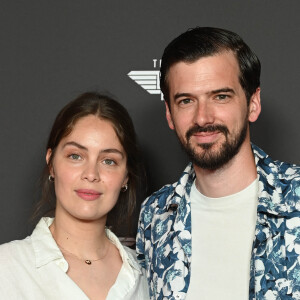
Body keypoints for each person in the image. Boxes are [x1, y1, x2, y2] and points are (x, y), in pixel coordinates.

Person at [136, 27, 300, 300]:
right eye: (186, 100)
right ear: (169, 114)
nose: (203, 118)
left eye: (220, 96)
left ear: (253, 103)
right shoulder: (155, 215)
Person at [0, 92, 149, 300]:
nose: (91, 174)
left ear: (125, 176)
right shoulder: (6, 268)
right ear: (51, 163)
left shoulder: (149, 277)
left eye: (108, 161)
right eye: (76, 156)